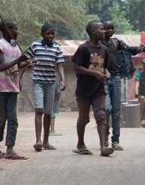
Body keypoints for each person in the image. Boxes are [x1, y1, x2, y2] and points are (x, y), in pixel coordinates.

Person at [72, 20, 113, 156]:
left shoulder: (104, 50)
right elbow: (76, 67)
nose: (104, 31)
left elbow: (104, 67)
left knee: (101, 115)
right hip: (84, 89)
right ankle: (80, 144)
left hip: (99, 88)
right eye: (101, 29)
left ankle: (103, 147)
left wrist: (106, 73)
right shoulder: (83, 48)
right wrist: (93, 73)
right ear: (92, 32)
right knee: (84, 118)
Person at [101, 20, 142, 150]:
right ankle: (104, 138)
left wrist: (142, 48)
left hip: (116, 78)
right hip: (102, 80)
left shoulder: (116, 42)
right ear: (102, 29)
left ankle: (115, 141)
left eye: (112, 28)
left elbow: (130, 50)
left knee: (116, 111)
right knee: (106, 109)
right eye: (107, 28)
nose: (109, 30)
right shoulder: (98, 44)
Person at [26, 24, 65, 152]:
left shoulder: (57, 48)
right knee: (39, 110)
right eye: (48, 33)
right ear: (42, 34)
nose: (51, 36)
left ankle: (46, 142)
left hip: (51, 83)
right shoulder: (35, 46)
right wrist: (29, 63)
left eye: (52, 34)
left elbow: (59, 65)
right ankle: (38, 141)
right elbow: (26, 59)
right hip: (38, 82)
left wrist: (63, 80)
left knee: (48, 113)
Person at [0, 19, 30, 160]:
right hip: (1, 88)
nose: (16, 31)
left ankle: (10, 149)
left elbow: (16, 66)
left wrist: (25, 63)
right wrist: (18, 61)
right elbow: (1, 67)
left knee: (12, 119)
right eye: (13, 28)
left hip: (12, 88)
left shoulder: (15, 47)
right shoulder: (1, 45)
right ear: (5, 29)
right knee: (1, 119)